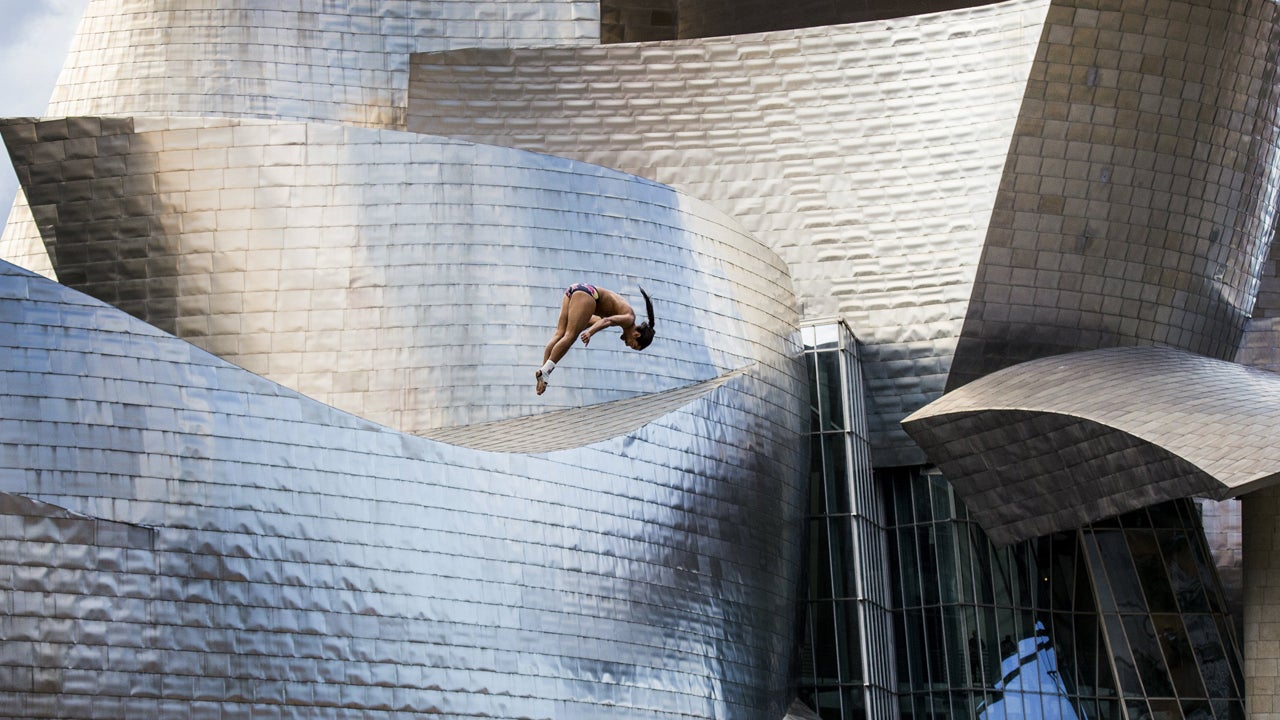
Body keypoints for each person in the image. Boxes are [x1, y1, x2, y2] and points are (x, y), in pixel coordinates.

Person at [536, 283, 655, 394]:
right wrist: (589, 333)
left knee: (560, 334)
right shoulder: (629, 318)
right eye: (632, 344)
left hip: (575, 290)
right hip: (588, 295)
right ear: (636, 335)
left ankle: (544, 372)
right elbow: (606, 321)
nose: (627, 344)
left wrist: (581, 327)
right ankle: (546, 371)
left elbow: (592, 320)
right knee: (570, 336)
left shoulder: (620, 315)